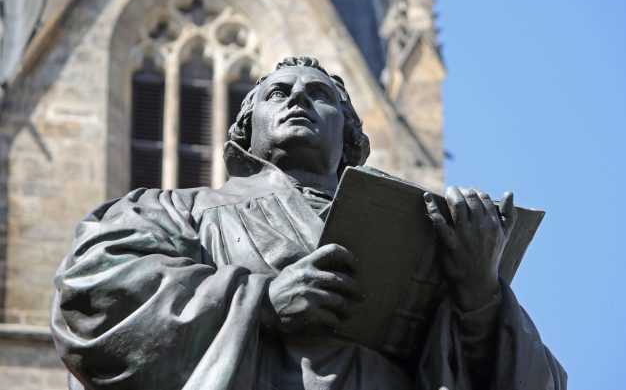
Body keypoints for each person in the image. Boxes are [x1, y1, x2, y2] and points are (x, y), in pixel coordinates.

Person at [51, 57, 566, 390]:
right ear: (243, 132)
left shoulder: (426, 235)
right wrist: (261, 303)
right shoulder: (170, 210)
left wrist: (480, 293)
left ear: (350, 139)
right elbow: (91, 291)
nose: (298, 98)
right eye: (277, 93)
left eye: (319, 95)